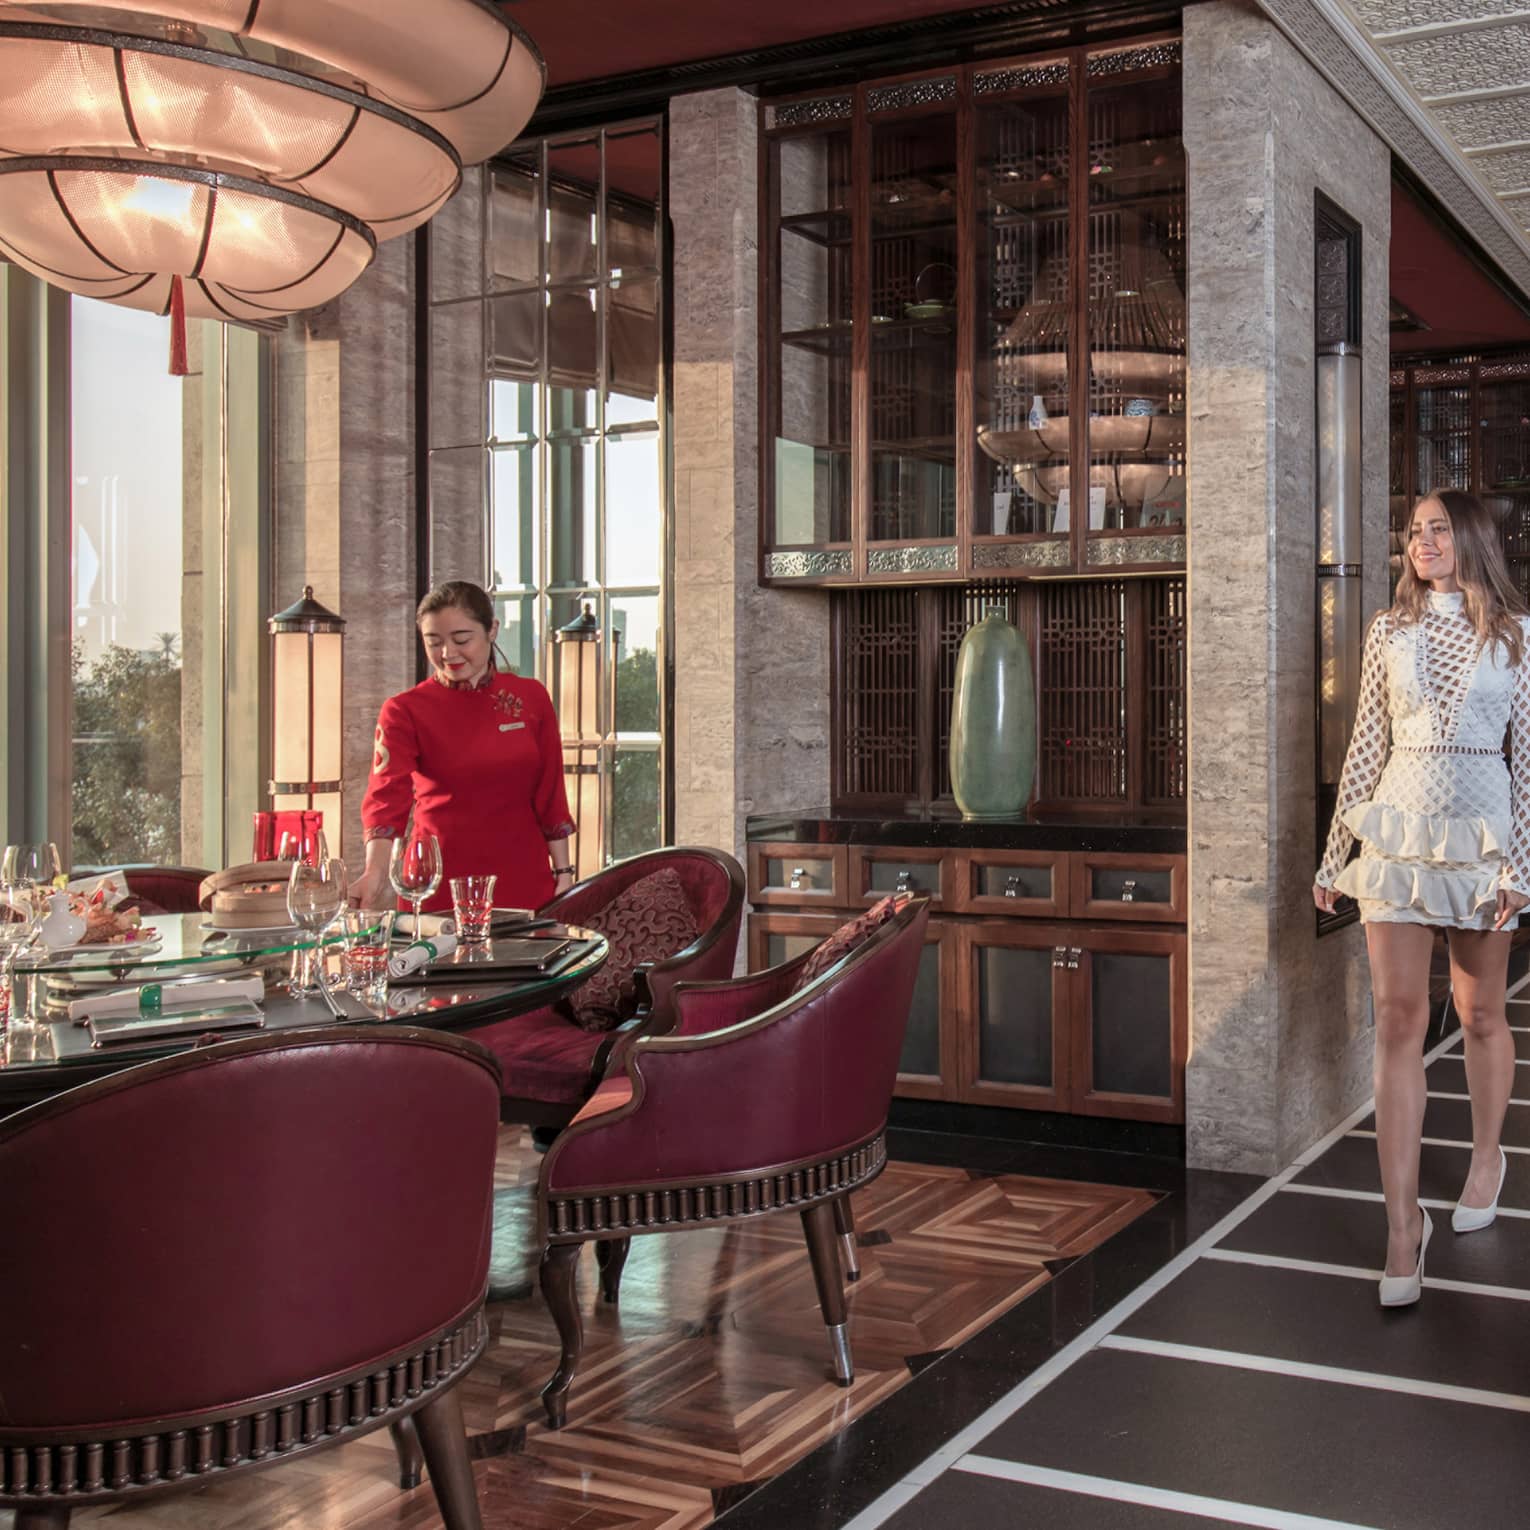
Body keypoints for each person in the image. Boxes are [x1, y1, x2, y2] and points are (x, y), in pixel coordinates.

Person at [1315, 490, 1530, 1308]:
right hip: (1397, 839)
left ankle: (1486, 1159)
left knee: (1479, 1016)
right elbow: (1365, 744)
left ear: (1471, 538)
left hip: (1482, 840)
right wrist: (1338, 852)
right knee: (1400, 1021)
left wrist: (1522, 865)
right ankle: (1403, 1226)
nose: (1422, 542)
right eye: (1414, 532)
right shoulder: (1388, 631)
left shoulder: (1517, 635)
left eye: (1438, 529)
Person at [352, 580, 576, 914]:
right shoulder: (404, 710)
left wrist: (564, 874)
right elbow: (386, 799)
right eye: (434, 642)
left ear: (492, 630)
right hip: (436, 883)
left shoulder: (531, 697)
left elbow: (550, 792)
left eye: (461, 639)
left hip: (523, 878)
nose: (448, 653)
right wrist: (375, 873)